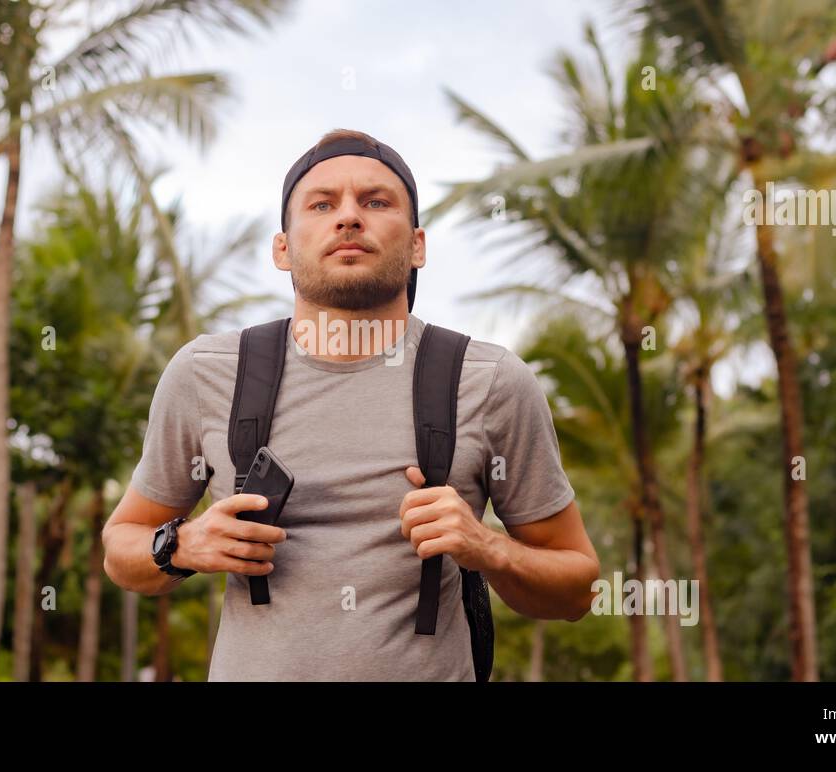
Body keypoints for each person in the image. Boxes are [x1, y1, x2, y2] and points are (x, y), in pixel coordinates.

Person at [103, 128, 599, 681]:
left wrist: (486, 547)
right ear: (283, 249)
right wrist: (181, 544)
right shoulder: (208, 372)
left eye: (375, 201)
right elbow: (120, 550)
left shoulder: (489, 381)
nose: (347, 218)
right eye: (321, 204)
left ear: (417, 246)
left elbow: (576, 588)